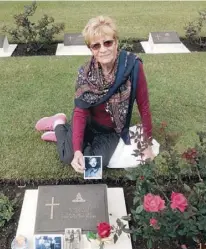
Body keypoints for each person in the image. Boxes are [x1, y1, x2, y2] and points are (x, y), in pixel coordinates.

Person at [35, 15, 154, 174]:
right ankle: (58, 125)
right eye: (96, 46)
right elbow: (80, 112)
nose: (103, 49)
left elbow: (144, 106)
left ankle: (65, 136)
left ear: (116, 42)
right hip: (89, 123)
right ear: (91, 49)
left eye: (108, 43)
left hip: (111, 130)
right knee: (67, 157)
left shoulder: (133, 66)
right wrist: (77, 151)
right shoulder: (85, 74)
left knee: (92, 169)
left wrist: (147, 143)